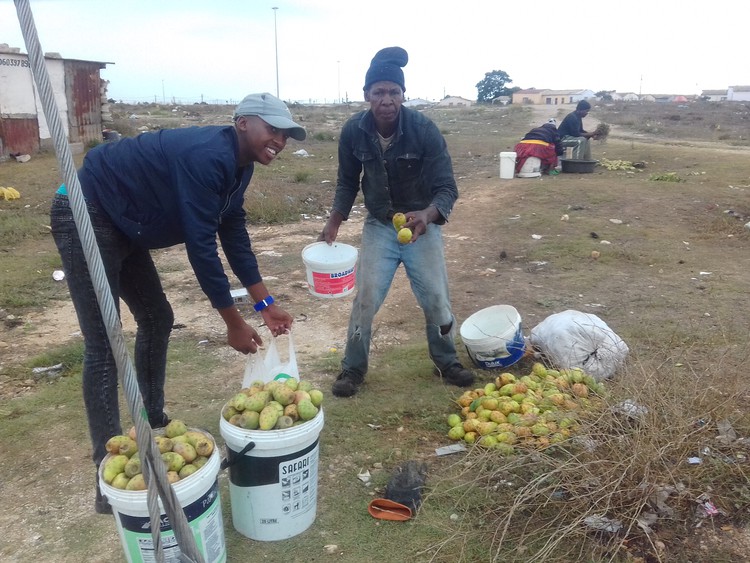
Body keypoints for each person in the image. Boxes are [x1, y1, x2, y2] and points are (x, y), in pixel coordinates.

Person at [50, 92, 304, 513]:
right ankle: (106, 472)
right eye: (272, 129)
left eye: (285, 135)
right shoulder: (207, 156)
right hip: (85, 210)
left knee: (157, 317)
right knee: (104, 343)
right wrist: (232, 322)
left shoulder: (239, 167)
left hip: (125, 222)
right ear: (242, 122)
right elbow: (201, 245)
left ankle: (152, 419)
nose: (279, 140)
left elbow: (234, 236)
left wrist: (266, 306)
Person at [319, 46, 474, 398]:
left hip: (423, 226)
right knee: (367, 297)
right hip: (380, 225)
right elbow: (347, 181)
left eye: (393, 91)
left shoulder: (423, 129)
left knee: (436, 298)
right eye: (379, 92)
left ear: (404, 95)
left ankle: (447, 361)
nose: (386, 99)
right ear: (366, 96)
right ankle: (352, 369)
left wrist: (429, 215)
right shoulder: (353, 131)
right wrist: (334, 221)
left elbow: (447, 186)